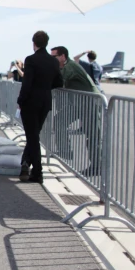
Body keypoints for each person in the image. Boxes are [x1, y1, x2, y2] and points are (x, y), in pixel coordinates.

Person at [17, 31, 63, 184]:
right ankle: (25, 164)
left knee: (33, 137)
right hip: (45, 102)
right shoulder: (53, 61)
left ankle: (37, 172)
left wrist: (20, 100)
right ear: (46, 43)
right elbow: (59, 82)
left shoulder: (31, 60)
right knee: (34, 136)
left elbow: (27, 83)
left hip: (30, 102)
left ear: (34, 43)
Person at [51, 46, 101, 175]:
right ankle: (65, 151)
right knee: (59, 120)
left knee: (92, 134)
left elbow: (59, 80)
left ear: (62, 57)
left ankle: (96, 167)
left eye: (53, 57)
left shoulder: (70, 67)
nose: (51, 59)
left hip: (90, 102)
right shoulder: (64, 67)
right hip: (78, 102)